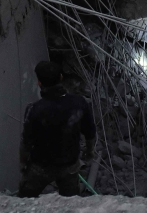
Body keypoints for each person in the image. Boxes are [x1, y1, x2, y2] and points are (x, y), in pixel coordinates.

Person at [19, 61, 96, 197]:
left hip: (41, 166)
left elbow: (26, 143)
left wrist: (24, 165)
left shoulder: (34, 110)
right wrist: (89, 152)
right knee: (71, 201)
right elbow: (90, 133)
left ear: (39, 83)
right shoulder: (79, 103)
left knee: (24, 199)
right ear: (61, 78)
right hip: (69, 165)